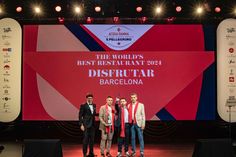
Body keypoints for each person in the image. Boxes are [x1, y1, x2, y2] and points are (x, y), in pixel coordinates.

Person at [79, 93, 96, 157]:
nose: (90, 99)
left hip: (93, 125)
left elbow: (93, 115)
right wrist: (81, 125)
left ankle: (91, 153)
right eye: (89, 98)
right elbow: (80, 116)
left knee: (92, 140)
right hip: (86, 125)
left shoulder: (94, 105)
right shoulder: (83, 105)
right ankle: (85, 153)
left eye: (91, 98)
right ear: (86, 99)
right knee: (85, 140)